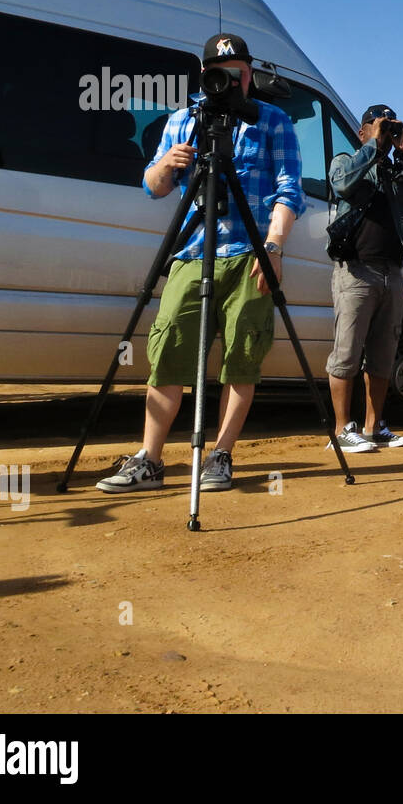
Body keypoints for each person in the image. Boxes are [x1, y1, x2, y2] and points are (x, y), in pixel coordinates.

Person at [98, 33, 306, 493]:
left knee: (242, 356)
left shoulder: (272, 121)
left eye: (242, 73)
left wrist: (273, 247)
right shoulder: (183, 120)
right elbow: (153, 187)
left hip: (250, 252)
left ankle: (220, 455)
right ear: (208, 75)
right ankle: (150, 460)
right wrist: (167, 164)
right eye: (225, 73)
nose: (235, 81)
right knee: (168, 346)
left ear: (251, 74)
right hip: (192, 251)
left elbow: (289, 191)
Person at [325, 104, 403, 452]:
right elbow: (342, 184)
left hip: (392, 271)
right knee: (346, 352)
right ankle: (343, 429)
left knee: (382, 354)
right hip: (357, 269)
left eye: (390, 127)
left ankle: (375, 428)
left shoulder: (397, 170)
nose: (386, 133)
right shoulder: (346, 160)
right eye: (379, 126)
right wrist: (373, 147)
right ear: (363, 132)